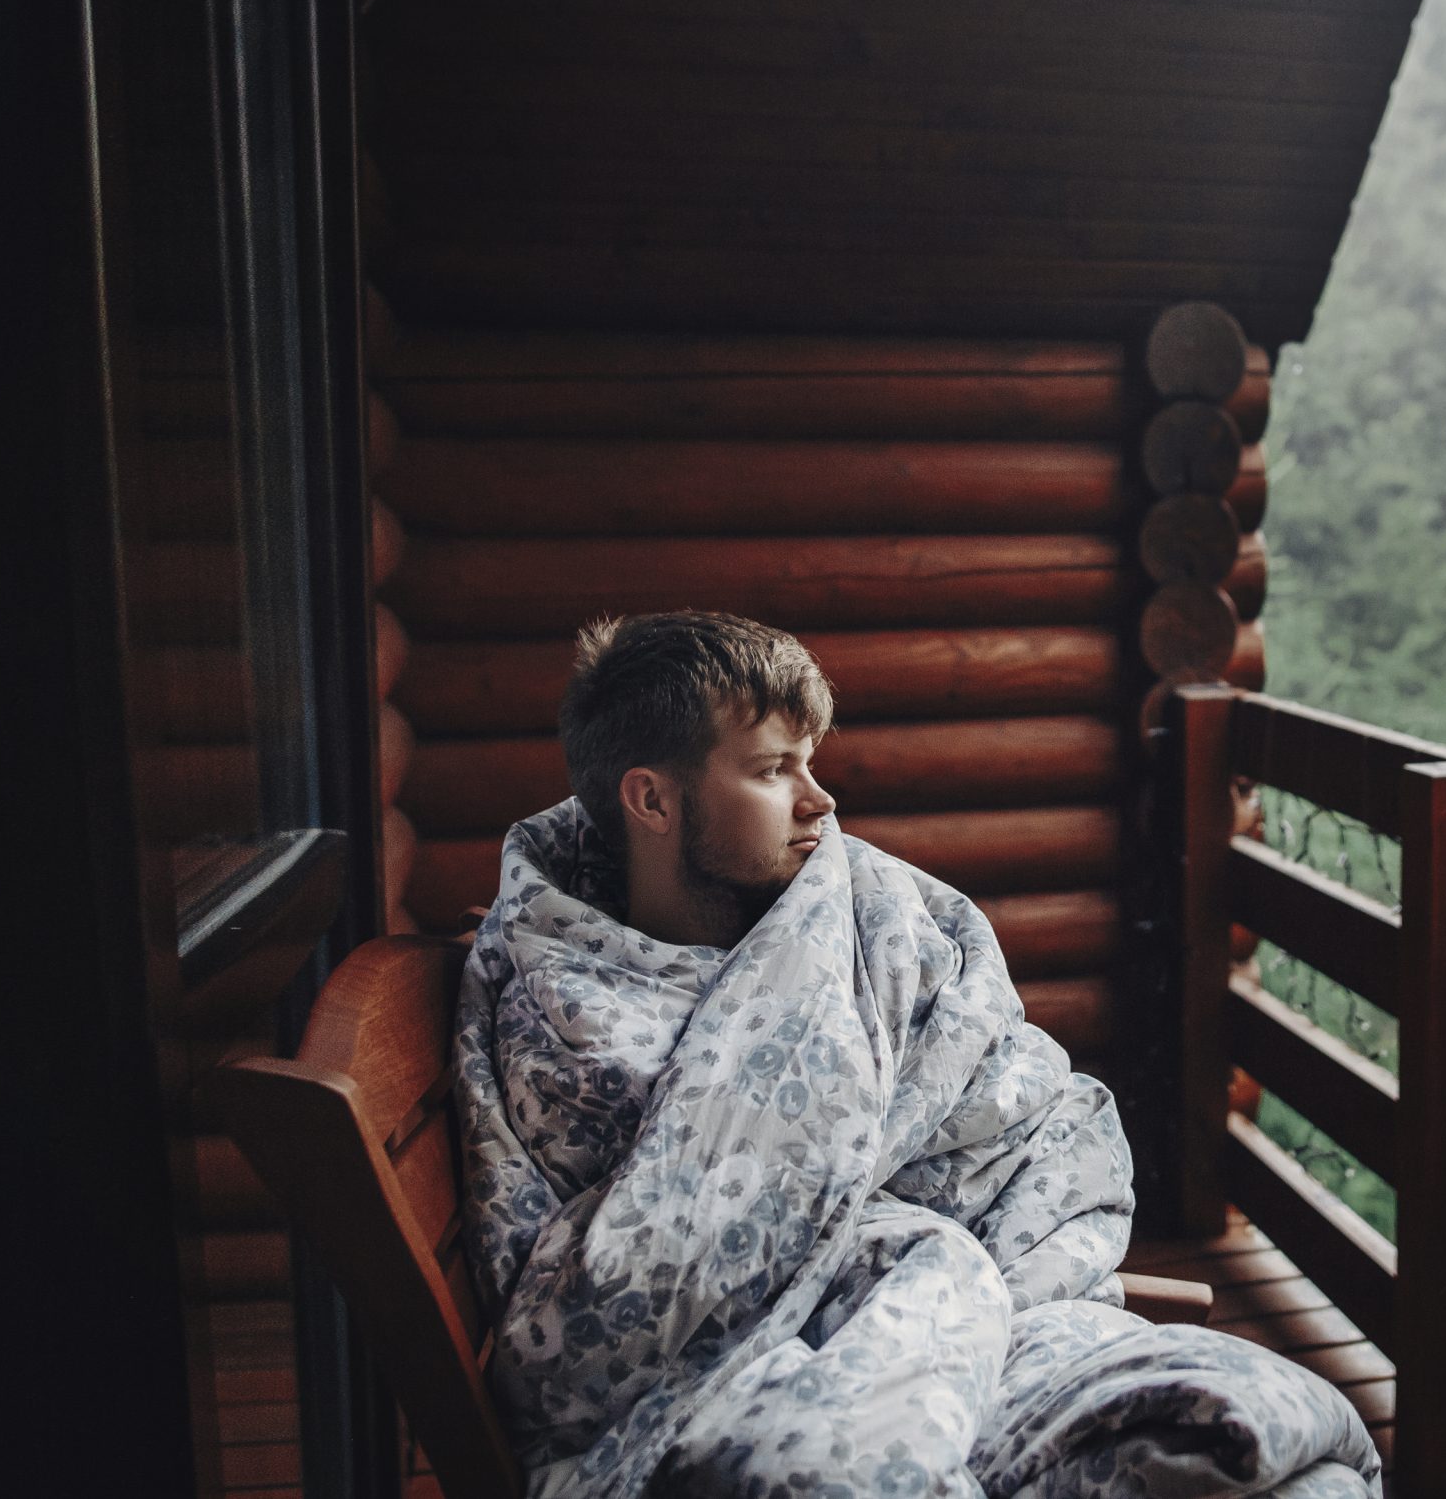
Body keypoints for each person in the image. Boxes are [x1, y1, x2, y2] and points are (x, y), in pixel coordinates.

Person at [454, 610, 1382, 1499]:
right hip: (780, 1368)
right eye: (775, 769)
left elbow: (1015, 1104)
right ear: (651, 798)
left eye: (809, 761)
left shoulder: (862, 915)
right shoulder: (567, 1001)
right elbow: (614, 1293)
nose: (820, 799)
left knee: (1284, 1446)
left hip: (994, 1302)